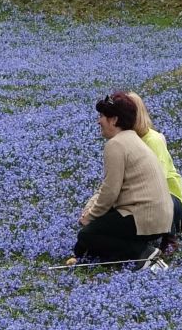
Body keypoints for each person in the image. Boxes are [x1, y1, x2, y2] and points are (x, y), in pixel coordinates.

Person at [68, 92, 173, 269]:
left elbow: (110, 191)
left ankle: (143, 252)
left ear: (114, 120)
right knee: (95, 232)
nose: (98, 121)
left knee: (87, 236)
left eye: (102, 116)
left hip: (143, 216)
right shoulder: (133, 139)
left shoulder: (116, 144)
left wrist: (90, 216)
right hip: (160, 216)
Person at [127, 91, 182, 254]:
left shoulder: (153, 140)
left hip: (168, 198)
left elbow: (157, 180)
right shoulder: (126, 141)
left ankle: (170, 238)